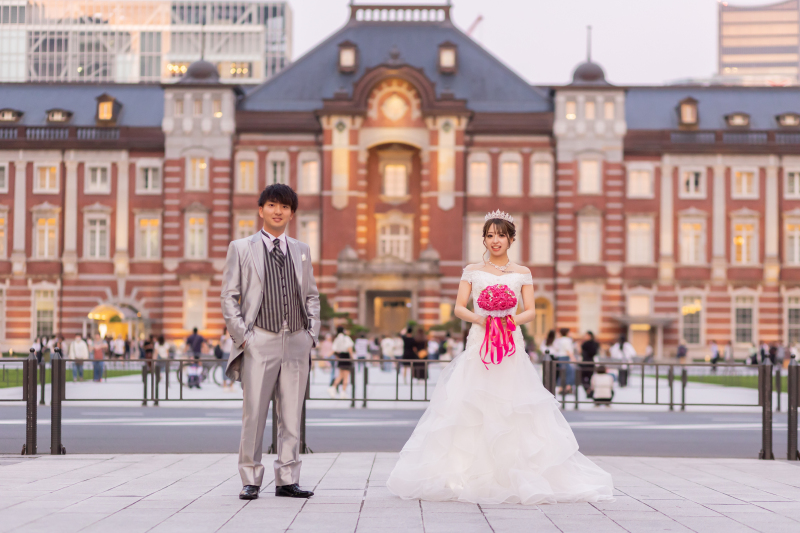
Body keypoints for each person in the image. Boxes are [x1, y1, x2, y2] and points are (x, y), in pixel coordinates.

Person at [387, 211, 613, 504]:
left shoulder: (522, 272)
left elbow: (530, 310)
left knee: (511, 401)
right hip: (480, 339)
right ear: (484, 239)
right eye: (490, 235)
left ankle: (512, 473)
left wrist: (510, 320)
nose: (496, 240)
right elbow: (459, 307)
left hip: (509, 340)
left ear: (511, 239)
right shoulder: (472, 270)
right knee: (473, 401)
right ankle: (469, 474)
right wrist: (481, 319)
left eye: (501, 235)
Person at [220, 183, 320, 501]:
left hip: (296, 340)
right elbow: (229, 296)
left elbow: (311, 295)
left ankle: (287, 479)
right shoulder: (241, 248)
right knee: (254, 414)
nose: (279, 211)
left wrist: (311, 334)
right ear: (261, 210)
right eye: (273, 205)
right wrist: (244, 337)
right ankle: (250, 478)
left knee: (291, 415)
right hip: (259, 339)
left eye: (285, 207)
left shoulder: (301, 250)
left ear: (292, 214)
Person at [329, 326, 354, 399]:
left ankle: (333, 387)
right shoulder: (346, 338)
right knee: (346, 377)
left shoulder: (337, 339)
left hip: (341, 357)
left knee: (340, 375)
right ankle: (343, 392)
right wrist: (352, 357)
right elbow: (349, 348)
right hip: (346, 357)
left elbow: (334, 349)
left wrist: (327, 355)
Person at [553, 328, 576, 394]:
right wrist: (573, 358)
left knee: (563, 372)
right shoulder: (567, 340)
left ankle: (562, 388)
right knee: (569, 372)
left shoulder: (559, 340)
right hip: (565, 357)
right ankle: (567, 387)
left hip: (560, 357)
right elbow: (568, 350)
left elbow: (556, 348)